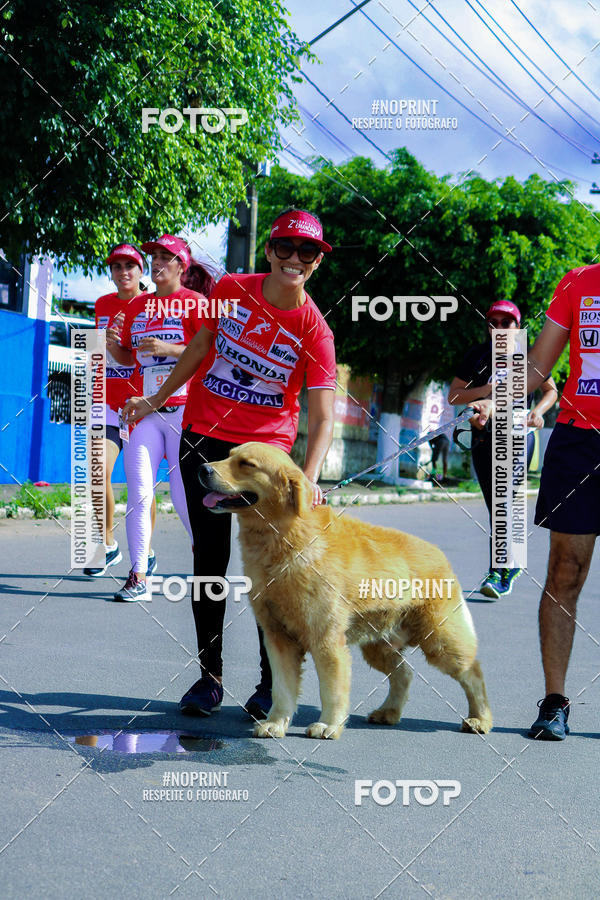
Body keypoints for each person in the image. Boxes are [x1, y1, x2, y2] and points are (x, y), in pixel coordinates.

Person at [123, 209, 337, 720]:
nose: (294, 259)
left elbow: (323, 415)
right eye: (284, 247)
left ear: (316, 263)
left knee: (273, 571)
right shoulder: (233, 290)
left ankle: (269, 685)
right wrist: (156, 401)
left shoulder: (315, 331)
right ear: (269, 250)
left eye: (306, 252)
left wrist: (307, 477)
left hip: (264, 460)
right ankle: (210, 678)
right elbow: (199, 347)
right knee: (209, 562)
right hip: (204, 441)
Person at [507, 265, 600, 740]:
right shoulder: (577, 282)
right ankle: (555, 703)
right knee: (566, 571)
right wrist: (492, 399)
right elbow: (538, 369)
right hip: (579, 444)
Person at [109, 234, 214, 601]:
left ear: (182, 266)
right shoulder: (137, 306)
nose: (156, 263)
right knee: (138, 494)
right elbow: (131, 358)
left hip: (186, 411)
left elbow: (209, 353)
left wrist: (169, 348)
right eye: (152, 256)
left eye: (165, 257)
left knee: (185, 498)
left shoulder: (196, 303)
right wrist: (114, 347)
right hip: (146, 413)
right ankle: (138, 574)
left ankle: (205, 562)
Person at [448, 300, 558, 599]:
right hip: (484, 438)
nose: (499, 328)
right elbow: (454, 396)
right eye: (493, 322)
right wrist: (485, 391)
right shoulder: (478, 356)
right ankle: (511, 564)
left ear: (518, 326)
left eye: (506, 323)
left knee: (504, 502)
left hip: (519, 435)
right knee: (497, 507)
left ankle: (498, 572)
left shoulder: (528, 358)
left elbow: (551, 391)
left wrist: (539, 411)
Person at [83, 243, 157, 577]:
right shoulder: (102, 304)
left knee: (141, 486)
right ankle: (109, 544)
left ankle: (146, 550)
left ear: (141, 271)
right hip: (106, 403)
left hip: (141, 405)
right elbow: (98, 350)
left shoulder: (153, 306)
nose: (123, 272)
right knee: (96, 473)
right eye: (116, 267)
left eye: (130, 265)